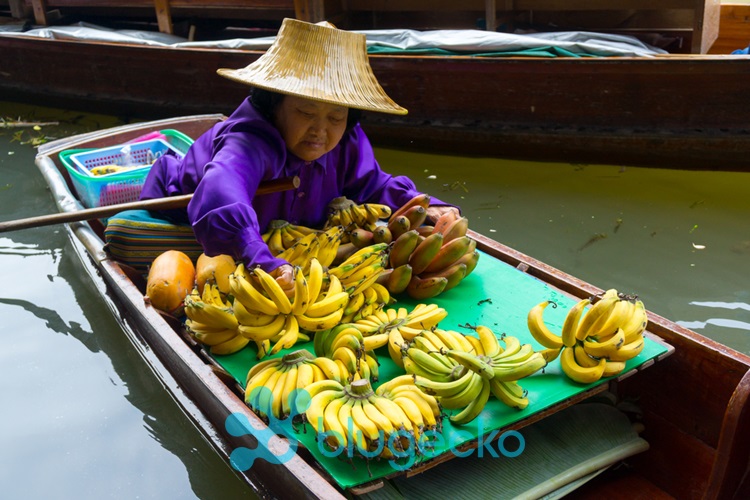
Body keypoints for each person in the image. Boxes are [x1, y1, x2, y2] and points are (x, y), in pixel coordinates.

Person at [137, 18, 459, 291]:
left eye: (335, 117)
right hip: (187, 211)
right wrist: (259, 258)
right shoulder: (249, 141)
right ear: (275, 103)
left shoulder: (346, 139)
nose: (321, 131)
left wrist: (427, 206)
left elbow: (373, 185)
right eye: (307, 112)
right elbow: (222, 191)